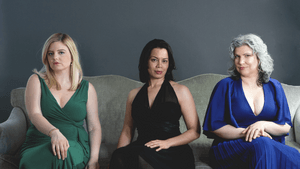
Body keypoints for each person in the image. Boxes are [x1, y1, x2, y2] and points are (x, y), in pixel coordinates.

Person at [203, 33, 300, 169]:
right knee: (263, 144)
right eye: (237, 56)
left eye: (247, 55)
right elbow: (215, 127)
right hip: (231, 148)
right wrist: (250, 132)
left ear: (259, 58)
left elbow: (285, 126)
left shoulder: (275, 86)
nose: (241, 61)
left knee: (294, 156)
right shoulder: (225, 85)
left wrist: (262, 125)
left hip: (268, 145)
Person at [109, 39, 200, 169]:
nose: (159, 66)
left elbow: (195, 131)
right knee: (120, 156)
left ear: (169, 64)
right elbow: (127, 130)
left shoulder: (181, 91)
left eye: (164, 61)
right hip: (143, 147)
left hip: (173, 150)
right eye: (154, 60)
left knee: (140, 158)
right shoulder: (133, 94)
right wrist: (118, 156)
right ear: (146, 61)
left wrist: (167, 143)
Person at [19, 33, 101, 169]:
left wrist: (94, 159)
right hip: (39, 142)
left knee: (64, 154)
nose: (55, 57)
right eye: (50, 54)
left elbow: (93, 127)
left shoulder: (87, 88)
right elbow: (34, 115)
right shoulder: (36, 80)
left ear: (72, 56)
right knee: (35, 161)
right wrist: (54, 132)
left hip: (74, 144)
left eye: (61, 52)